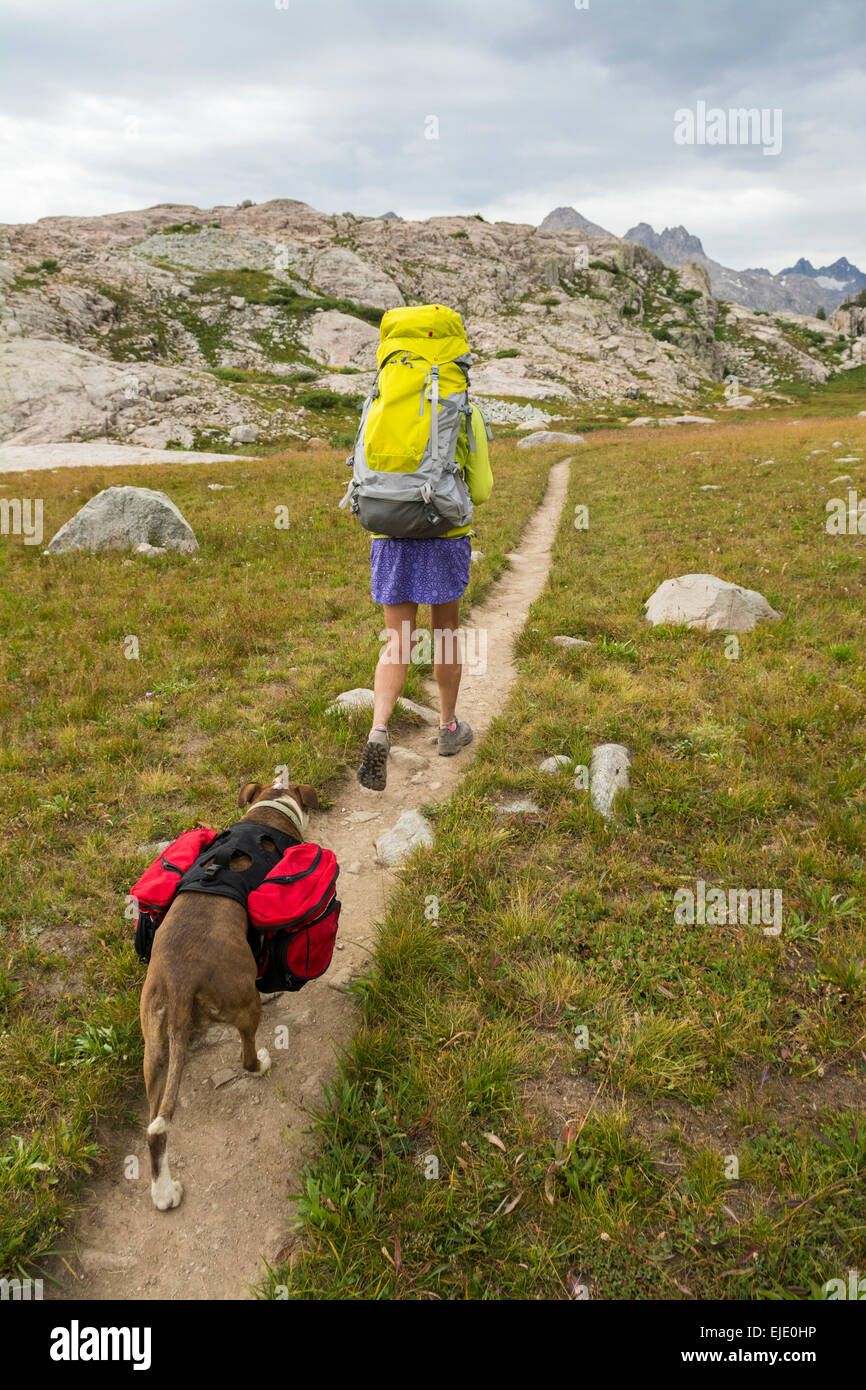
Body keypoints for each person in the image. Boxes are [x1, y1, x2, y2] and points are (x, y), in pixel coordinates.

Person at [357, 412, 493, 791]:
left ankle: (379, 729)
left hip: (389, 530)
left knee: (397, 641)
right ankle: (449, 727)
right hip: (444, 531)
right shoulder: (464, 407)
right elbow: (480, 489)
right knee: (445, 633)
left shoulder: (381, 401)